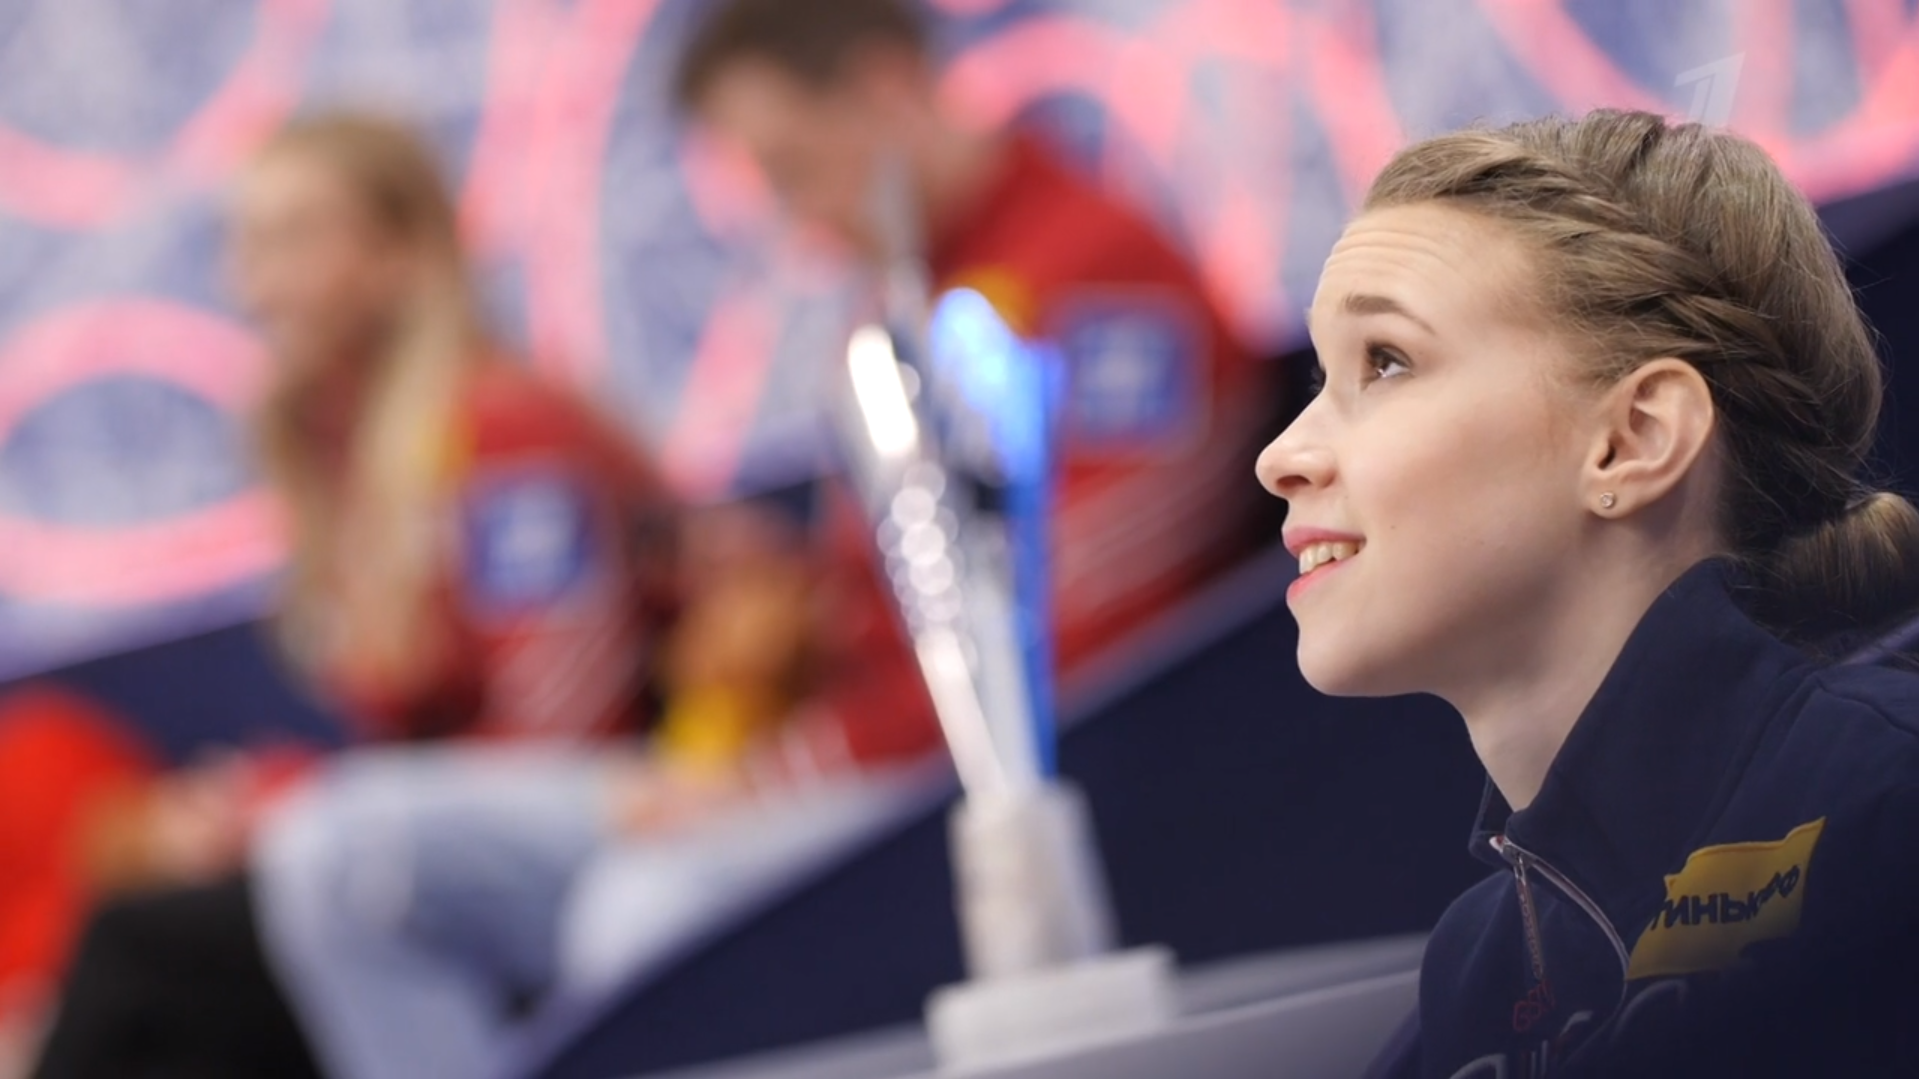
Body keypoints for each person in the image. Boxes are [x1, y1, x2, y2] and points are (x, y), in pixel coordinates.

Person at [169, 1, 1282, 1077]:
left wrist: (771, 769)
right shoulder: (897, 299)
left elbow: (1049, 647)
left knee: (640, 915)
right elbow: (925, 608)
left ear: (886, 89)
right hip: (834, 759)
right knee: (340, 856)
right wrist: (784, 596)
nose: (793, 217)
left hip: (999, 790)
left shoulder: (1088, 268)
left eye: (791, 166)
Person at [1258, 108, 1919, 1076]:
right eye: (1321, 376)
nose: (1279, 457)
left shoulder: (1887, 803)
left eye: (1385, 361)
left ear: (1632, 439)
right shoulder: (1477, 968)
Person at [24, 113, 680, 1078]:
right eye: (244, 247)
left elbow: (566, 734)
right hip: (448, 840)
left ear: (401, 251)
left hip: (623, 820)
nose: (253, 287)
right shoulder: (361, 458)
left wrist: (285, 811)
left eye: (292, 240)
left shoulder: (505, 433)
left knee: (147, 953)